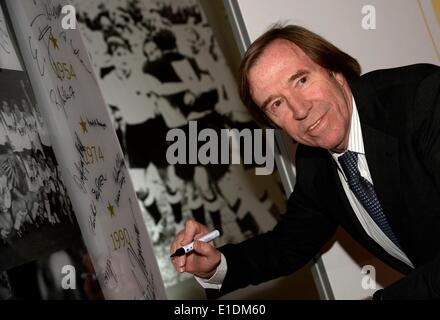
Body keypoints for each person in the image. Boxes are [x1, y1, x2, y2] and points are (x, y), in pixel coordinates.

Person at [170, 24, 440, 299]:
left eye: (301, 80)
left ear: (335, 72)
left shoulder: (425, 101)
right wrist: (215, 265)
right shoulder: (315, 163)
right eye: (277, 104)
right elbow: (286, 245)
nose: (299, 109)